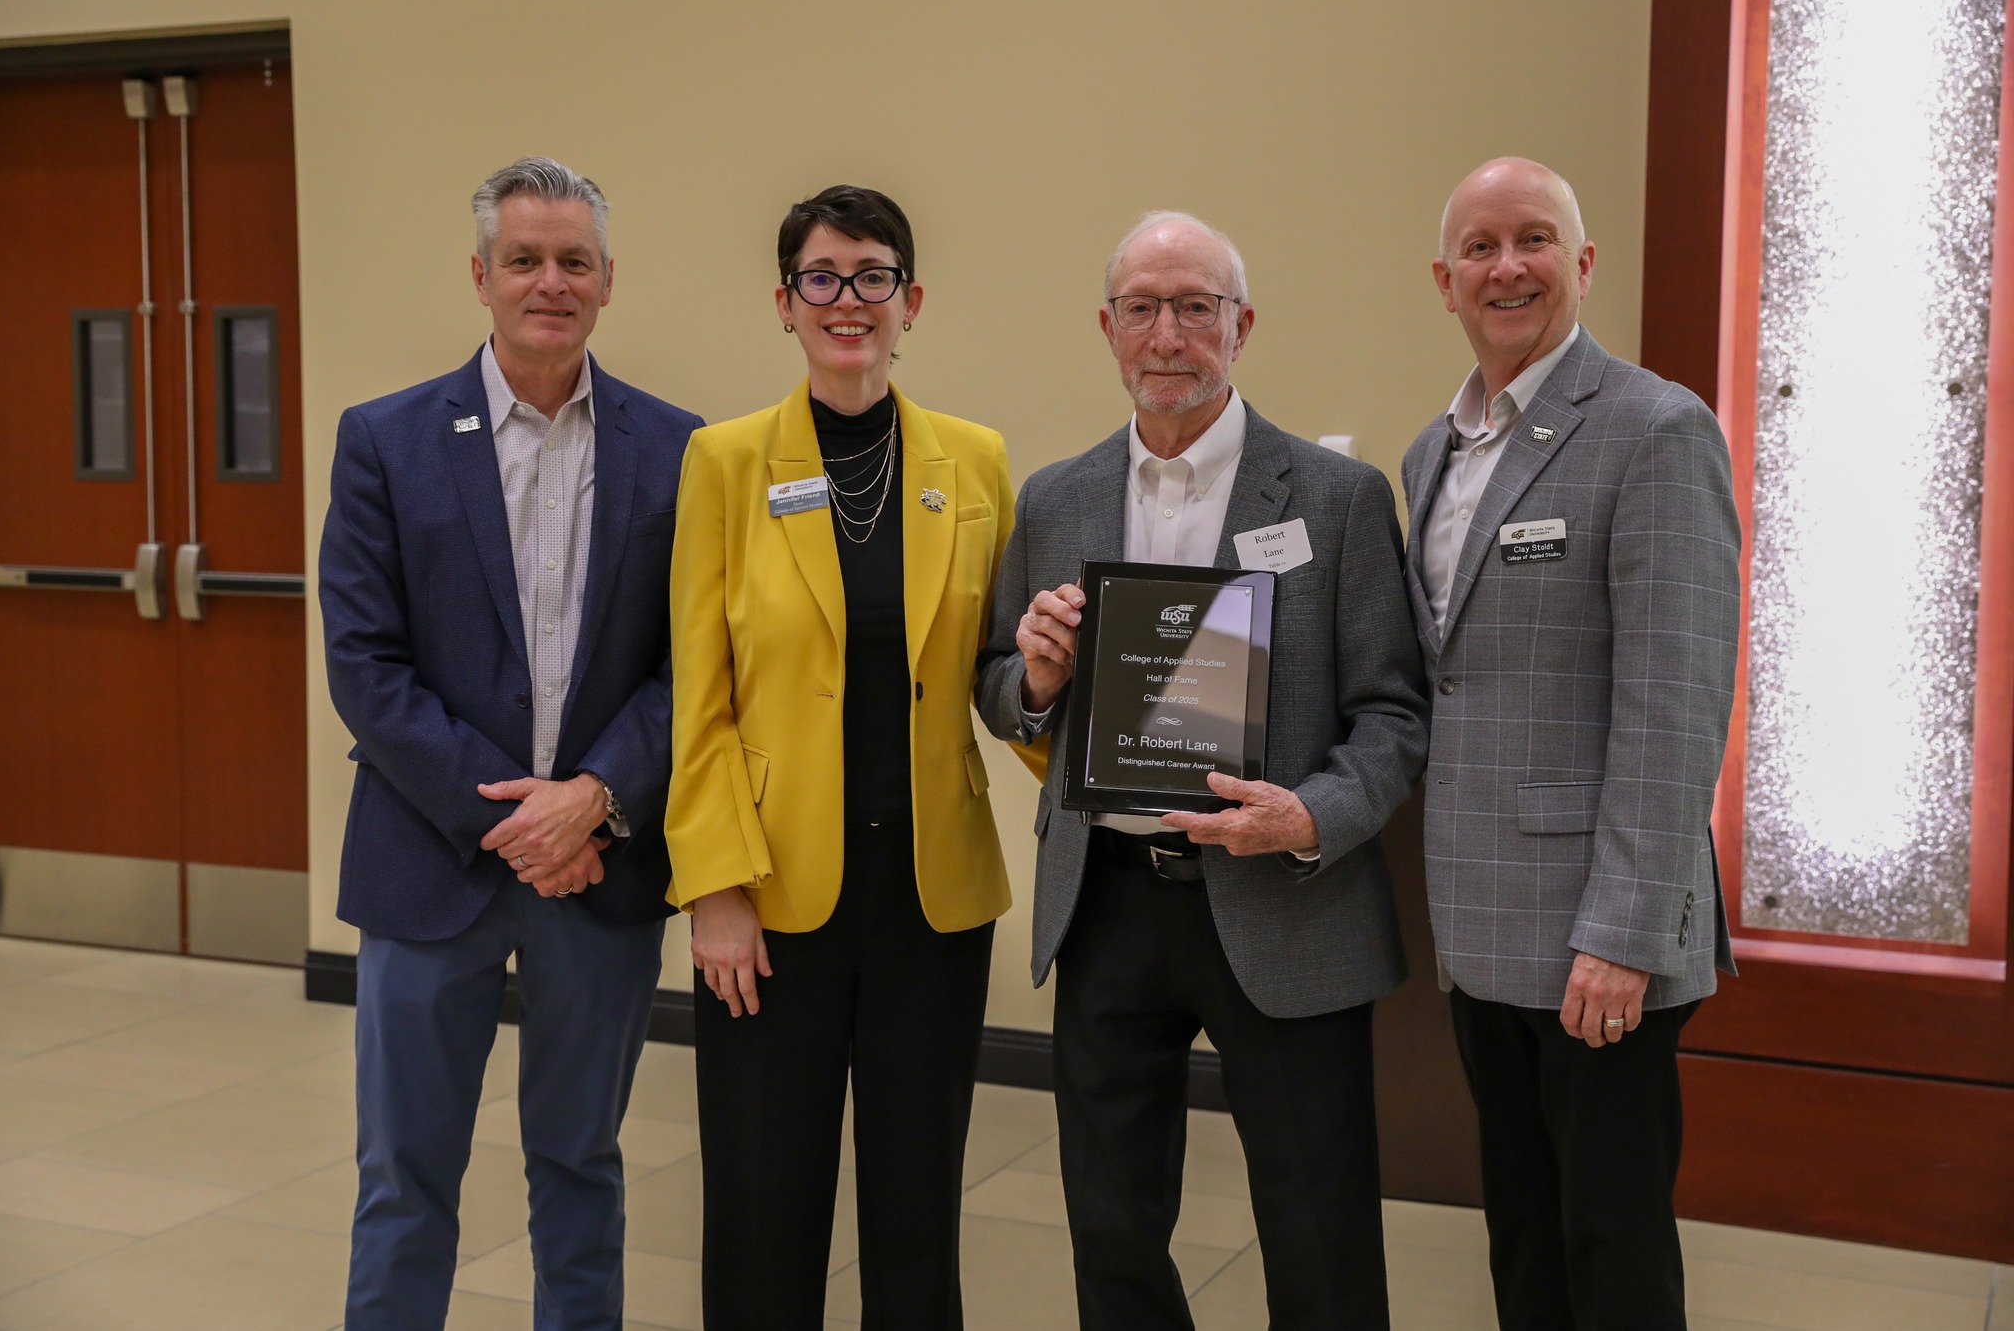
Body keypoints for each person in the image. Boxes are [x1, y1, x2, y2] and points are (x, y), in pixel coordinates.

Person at [974, 211, 1428, 1330]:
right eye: (1141, 308)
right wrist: (1037, 678)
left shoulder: (1335, 497)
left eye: (1194, 308)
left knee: (1317, 1227)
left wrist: (1308, 816)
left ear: (1241, 325)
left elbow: (1393, 712)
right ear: (1107, 327)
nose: (1166, 335)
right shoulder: (1056, 497)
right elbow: (998, 684)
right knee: (1111, 1228)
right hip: (1109, 903)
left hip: (1283, 898)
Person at [320, 156, 700, 1331]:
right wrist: (518, 821)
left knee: (580, 1167)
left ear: (608, 280)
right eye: (524, 259)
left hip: (599, 869)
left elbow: (693, 663)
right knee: (403, 1177)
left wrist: (591, 798)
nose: (551, 282)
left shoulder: (679, 449)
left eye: (573, 261)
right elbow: (364, 664)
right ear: (480, 276)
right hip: (428, 864)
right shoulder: (385, 439)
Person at [666, 184, 1017, 1329]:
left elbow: (1003, 670)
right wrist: (713, 886)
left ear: (910, 301)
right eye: (821, 277)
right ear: (785, 304)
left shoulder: (974, 462)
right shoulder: (723, 462)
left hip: (929, 898)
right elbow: (699, 698)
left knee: (917, 1210)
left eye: (873, 276)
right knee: (763, 1206)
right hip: (769, 898)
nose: (847, 300)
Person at [1403, 156, 1741, 1330]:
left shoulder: (1653, 428)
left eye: (1533, 239)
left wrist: (1622, 934)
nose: (1508, 267)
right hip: (1479, 924)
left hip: (1596, 939)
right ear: (1443, 280)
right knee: (1523, 1237)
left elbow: (1674, 701)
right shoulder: (1431, 452)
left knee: (1611, 1249)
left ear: (1582, 263)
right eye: (1480, 247)